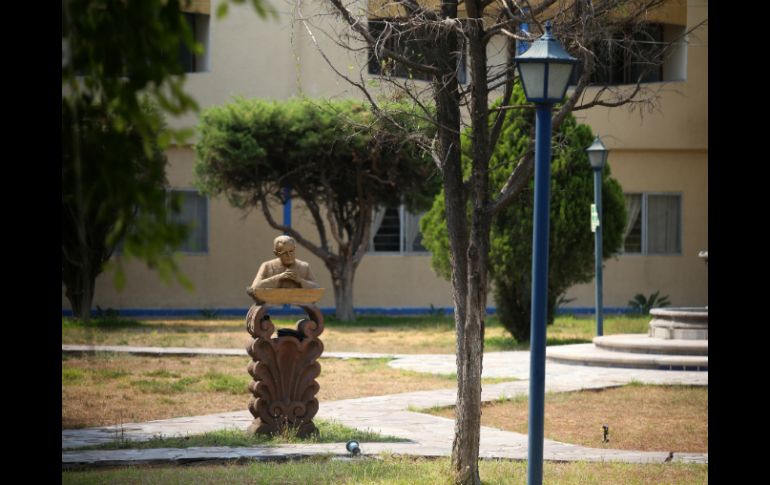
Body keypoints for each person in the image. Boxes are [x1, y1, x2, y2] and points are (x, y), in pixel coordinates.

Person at [249, 235, 320, 291]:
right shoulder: (267, 266)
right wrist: (279, 277)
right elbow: (254, 287)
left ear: (295, 249)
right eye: (284, 253)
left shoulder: (304, 266)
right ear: (276, 253)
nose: (289, 255)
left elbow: (317, 287)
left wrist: (300, 281)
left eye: (291, 251)